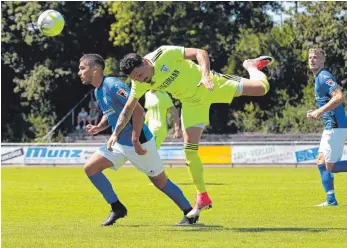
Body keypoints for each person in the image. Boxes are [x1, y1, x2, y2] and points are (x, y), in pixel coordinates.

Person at [115, 45, 273, 218]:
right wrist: (115, 134)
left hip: (210, 84)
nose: (140, 79)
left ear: (145, 62)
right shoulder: (138, 83)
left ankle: (250, 66)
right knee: (189, 151)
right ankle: (202, 196)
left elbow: (200, 52)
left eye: (139, 74)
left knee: (262, 89)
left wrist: (205, 75)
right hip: (191, 104)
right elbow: (127, 109)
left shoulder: (163, 54)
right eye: (135, 78)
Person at [78, 53, 199, 226]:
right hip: (119, 143)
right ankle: (117, 208)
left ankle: (190, 213)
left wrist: (135, 139)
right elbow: (112, 114)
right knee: (91, 168)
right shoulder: (98, 91)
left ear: (95, 69)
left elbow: (138, 111)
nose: (79, 72)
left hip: (139, 143)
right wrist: (99, 126)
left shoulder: (113, 85)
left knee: (160, 182)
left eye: (82, 68)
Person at [306, 48, 347, 207]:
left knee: (331, 166)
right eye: (310, 57)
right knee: (321, 162)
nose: (312, 59)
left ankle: (331, 200)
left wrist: (319, 111)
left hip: (336, 126)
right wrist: (316, 112)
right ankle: (331, 200)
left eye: (316, 57)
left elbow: (338, 96)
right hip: (330, 126)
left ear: (323, 61)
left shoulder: (324, 76)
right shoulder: (318, 79)